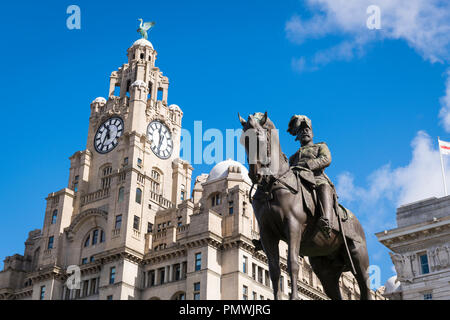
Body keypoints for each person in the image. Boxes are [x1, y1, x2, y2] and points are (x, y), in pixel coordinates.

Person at [287, 115, 335, 238]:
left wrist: (309, 165)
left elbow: (326, 159)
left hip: (316, 178)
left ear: (312, 133)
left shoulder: (320, 146)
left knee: (324, 186)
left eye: (307, 130)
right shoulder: (293, 157)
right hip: (298, 181)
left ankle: (326, 220)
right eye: (301, 131)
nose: (305, 132)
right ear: (297, 137)